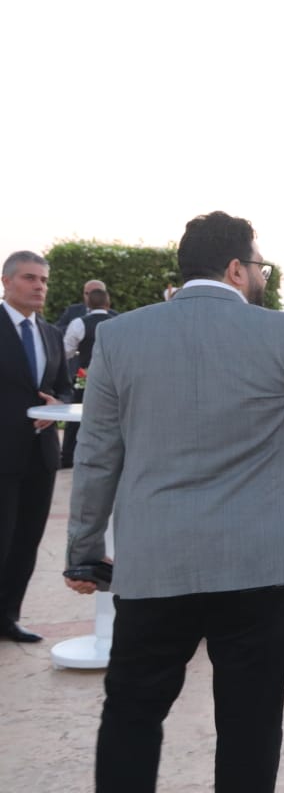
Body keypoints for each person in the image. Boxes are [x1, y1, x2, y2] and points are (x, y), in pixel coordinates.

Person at [63, 211, 284, 792]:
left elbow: (97, 454)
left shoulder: (122, 336)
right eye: (259, 266)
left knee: (132, 713)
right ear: (235, 269)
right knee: (250, 722)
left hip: (155, 562)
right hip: (265, 563)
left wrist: (83, 550)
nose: (261, 276)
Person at [1, 251, 71, 643]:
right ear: (6, 281)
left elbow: (64, 387)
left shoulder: (52, 334)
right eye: (30, 278)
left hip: (40, 456)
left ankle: (7, 617)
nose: (39, 286)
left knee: (26, 541)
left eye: (43, 279)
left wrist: (56, 404)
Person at [60, 287, 116, 468]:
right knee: (112, 418)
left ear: (88, 303)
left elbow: (66, 351)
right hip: (113, 380)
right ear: (108, 303)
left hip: (85, 378)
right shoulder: (118, 321)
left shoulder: (79, 323)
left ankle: (67, 456)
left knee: (75, 418)